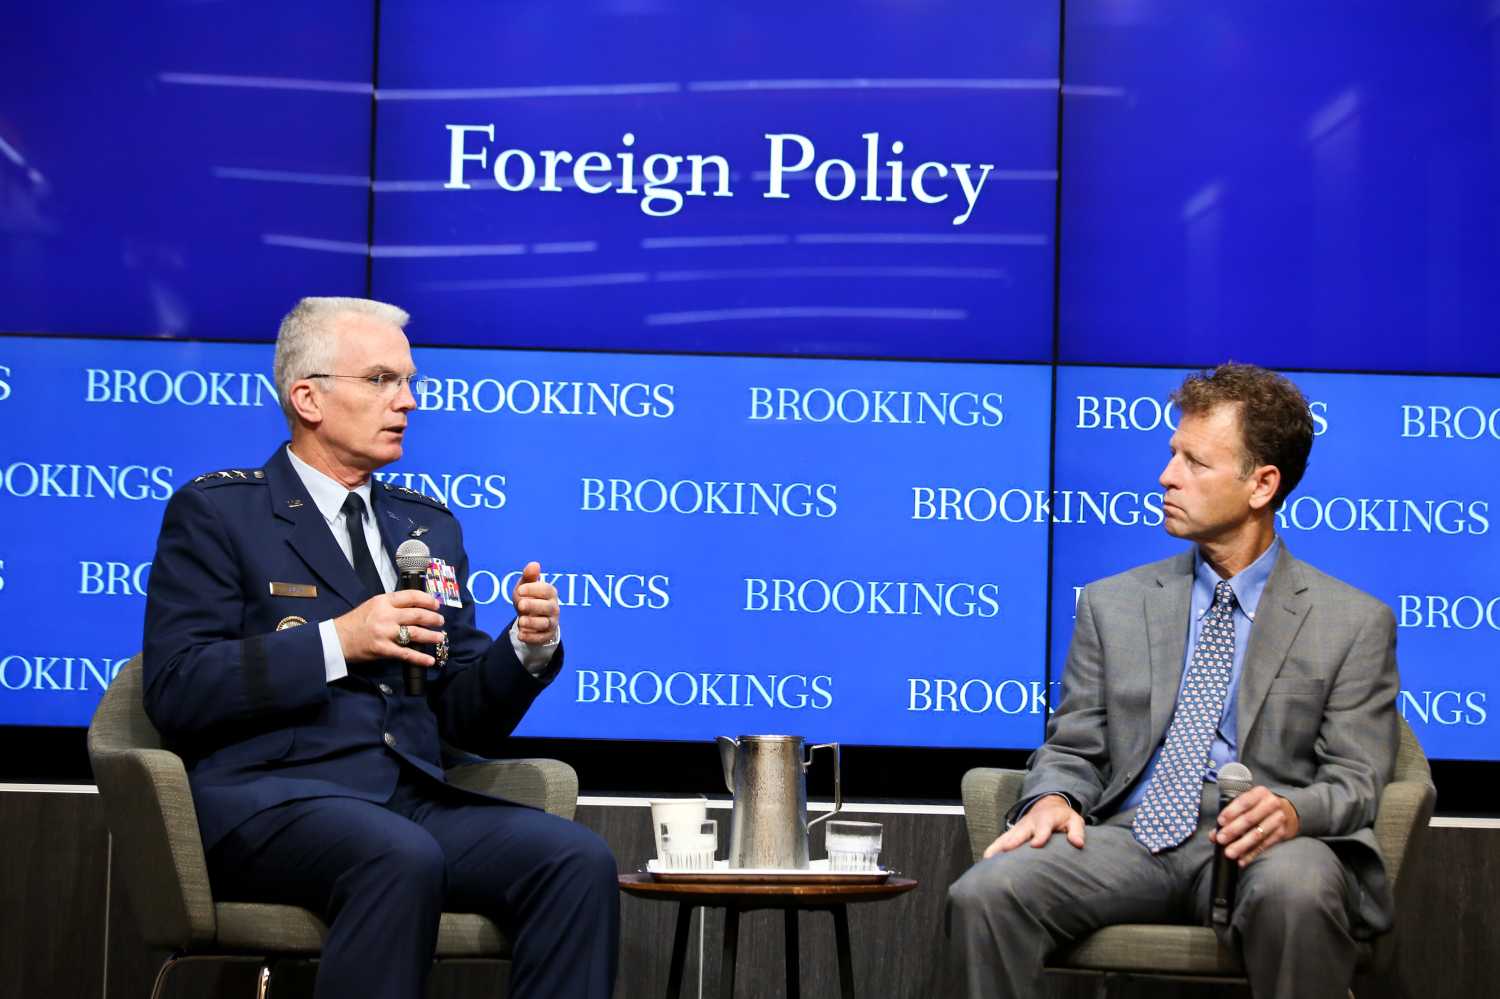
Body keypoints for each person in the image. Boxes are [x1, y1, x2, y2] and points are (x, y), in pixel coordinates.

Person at [142, 297, 618, 999]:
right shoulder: (220, 514)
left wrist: (524, 650)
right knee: (398, 856)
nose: (408, 400)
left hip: (409, 799)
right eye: (381, 380)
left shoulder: (426, 527)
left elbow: (461, 718)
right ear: (308, 397)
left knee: (575, 858)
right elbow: (178, 687)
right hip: (271, 799)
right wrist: (340, 639)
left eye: (409, 381)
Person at [947, 363, 1400, 999]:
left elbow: (1356, 781)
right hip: (1132, 837)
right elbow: (1075, 746)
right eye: (1171, 455)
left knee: (1299, 891)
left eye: (1194, 461)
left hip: (1267, 843)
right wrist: (1054, 797)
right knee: (987, 893)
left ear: (1261, 485)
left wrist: (1292, 810)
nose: (1167, 476)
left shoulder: (1352, 621)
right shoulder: (1114, 604)